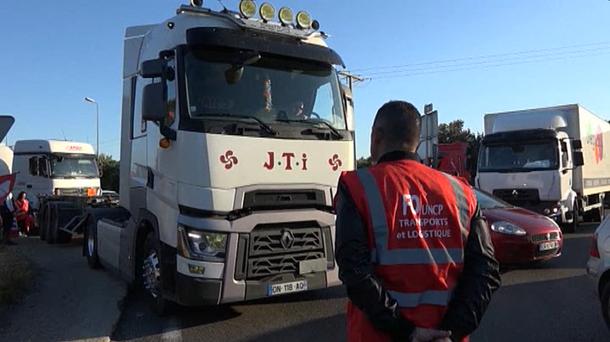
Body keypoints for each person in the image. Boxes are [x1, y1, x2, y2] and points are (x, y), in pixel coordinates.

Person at [335, 101, 501, 342]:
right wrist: (449, 333)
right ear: (419, 141)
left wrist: (408, 332)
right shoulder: (461, 192)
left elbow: (354, 271)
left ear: (376, 136)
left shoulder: (357, 187)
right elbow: (486, 270)